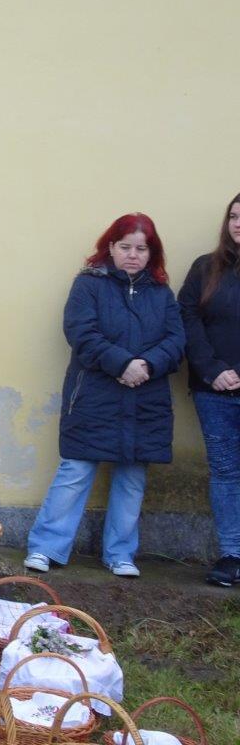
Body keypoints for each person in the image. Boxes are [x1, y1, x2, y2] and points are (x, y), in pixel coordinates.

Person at [24, 213, 186, 578]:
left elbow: (176, 340)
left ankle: (120, 554)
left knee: (132, 477)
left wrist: (147, 365)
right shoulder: (88, 285)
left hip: (146, 398)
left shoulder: (161, 293)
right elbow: (81, 332)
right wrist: (122, 364)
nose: (133, 255)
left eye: (141, 249)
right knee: (76, 470)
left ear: (152, 253)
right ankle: (45, 548)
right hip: (94, 395)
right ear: (110, 247)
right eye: (125, 247)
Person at [178, 192, 240, 587]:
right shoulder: (206, 268)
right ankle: (232, 555)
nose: (238, 224)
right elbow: (187, 316)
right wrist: (213, 369)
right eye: (234, 216)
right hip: (213, 391)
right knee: (226, 473)